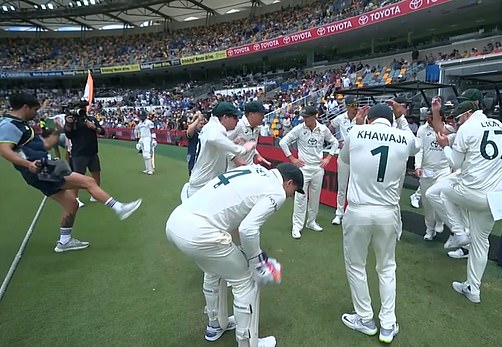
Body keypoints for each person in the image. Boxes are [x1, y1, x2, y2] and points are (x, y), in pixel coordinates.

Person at [165, 163, 305, 347]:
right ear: (289, 182)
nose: (290, 196)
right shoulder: (277, 192)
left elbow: (236, 226)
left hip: (176, 222)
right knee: (245, 281)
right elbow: (248, 229)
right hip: (201, 233)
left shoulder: (254, 169)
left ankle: (215, 325)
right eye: (294, 191)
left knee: (214, 269)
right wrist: (256, 263)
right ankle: (247, 343)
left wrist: (257, 255)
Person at [0, 93, 142, 253]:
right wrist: (28, 164)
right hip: (41, 167)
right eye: (34, 109)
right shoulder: (8, 125)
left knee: (71, 204)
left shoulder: (21, 124)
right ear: (25, 107)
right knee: (88, 182)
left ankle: (64, 242)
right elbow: (4, 150)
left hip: (42, 166)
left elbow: (45, 145)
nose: (36, 113)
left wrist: (58, 130)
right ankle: (119, 208)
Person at [338, 103, 419, 344]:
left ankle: (365, 319)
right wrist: (402, 118)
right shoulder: (403, 136)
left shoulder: (356, 132)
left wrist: (358, 124)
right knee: (386, 268)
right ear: (392, 119)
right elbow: (416, 145)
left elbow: (345, 159)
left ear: (370, 119)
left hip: (359, 211)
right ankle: (387, 324)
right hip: (387, 212)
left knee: (356, 266)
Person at [435, 100, 502, 304]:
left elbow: (454, 163)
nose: (456, 124)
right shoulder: (498, 125)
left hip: (473, 191)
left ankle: (459, 234)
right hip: (496, 197)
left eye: (457, 119)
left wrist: (444, 147)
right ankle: (473, 289)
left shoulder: (467, 127)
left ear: (467, 115)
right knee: (480, 243)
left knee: (441, 192)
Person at [279, 106, 338, 239]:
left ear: (315, 116)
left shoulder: (323, 129)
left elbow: (334, 142)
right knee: (300, 198)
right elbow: (283, 142)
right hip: (303, 169)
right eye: (304, 117)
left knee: (315, 198)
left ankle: (311, 222)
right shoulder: (299, 128)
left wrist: (328, 158)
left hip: (318, 168)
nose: (305, 119)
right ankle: (297, 226)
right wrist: (292, 159)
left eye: (307, 117)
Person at [181, 102, 256, 201]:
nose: (237, 120)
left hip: (206, 184)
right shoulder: (215, 128)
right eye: (234, 117)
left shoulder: (212, 126)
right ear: (225, 117)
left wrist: (232, 142)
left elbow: (215, 144)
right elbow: (213, 138)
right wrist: (242, 149)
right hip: (201, 187)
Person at [414, 107, 454, 241]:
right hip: (427, 171)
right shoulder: (422, 130)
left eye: (432, 117)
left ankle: (440, 221)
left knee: (440, 196)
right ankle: (429, 229)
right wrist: (418, 166)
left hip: (443, 170)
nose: (429, 120)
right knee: (427, 202)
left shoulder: (449, 130)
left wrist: (453, 166)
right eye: (428, 117)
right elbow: (419, 149)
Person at [64, 100, 106, 204]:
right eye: (80, 107)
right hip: (79, 154)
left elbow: (103, 131)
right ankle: (75, 198)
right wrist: (69, 123)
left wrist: (94, 127)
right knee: (78, 177)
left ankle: (95, 194)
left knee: (96, 173)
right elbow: (68, 134)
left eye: (83, 107)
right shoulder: (72, 122)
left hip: (93, 153)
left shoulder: (91, 119)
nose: (82, 109)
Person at [328, 96, 358, 225]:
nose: (354, 109)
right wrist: (335, 141)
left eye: (355, 106)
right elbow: (329, 128)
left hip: (359, 156)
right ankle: (339, 214)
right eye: (351, 106)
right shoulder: (340, 118)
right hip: (344, 155)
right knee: (342, 186)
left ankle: (352, 214)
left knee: (356, 186)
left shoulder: (362, 119)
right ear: (346, 106)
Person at [227, 101, 272, 170]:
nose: (263, 117)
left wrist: (257, 155)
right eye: (261, 114)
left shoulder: (257, 128)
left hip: (249, 167)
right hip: (234, 170)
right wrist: (234, 158)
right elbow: (223, 144)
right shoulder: (238, 125)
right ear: (251, 114)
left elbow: (249, 143)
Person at [185, 111, 207, 176]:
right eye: (201, 124)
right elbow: (190, 129)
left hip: (203, 161)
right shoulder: (193, 132)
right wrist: (197, 119)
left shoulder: (205, 132)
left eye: (203, 124)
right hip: (194, 160)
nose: (202, 125)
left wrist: (203, 118)